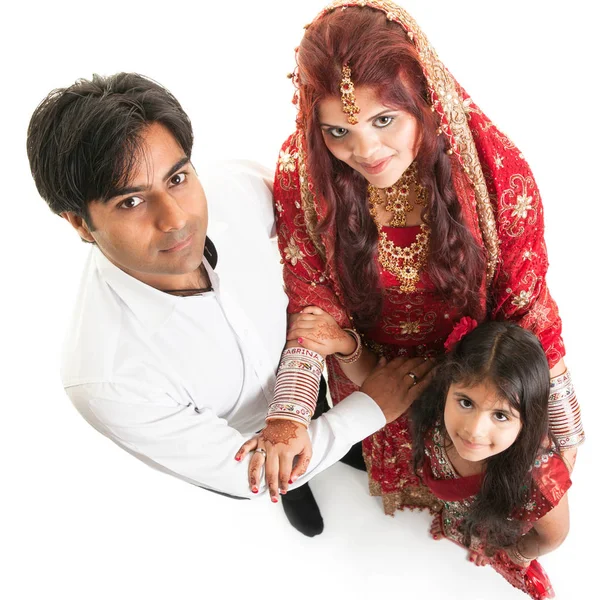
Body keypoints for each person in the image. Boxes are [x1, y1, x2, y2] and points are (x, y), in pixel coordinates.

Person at [25, 71, 431, 536]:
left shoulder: (237, 188)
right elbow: (246, 476)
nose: (176, 220)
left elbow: (321, 224)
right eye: (131, 201)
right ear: (79, 223)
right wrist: (371, 407)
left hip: (312, 371)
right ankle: (297, 486)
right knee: (276, 473)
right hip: (249, 436)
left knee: (341, 432)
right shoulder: (107, 379)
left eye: (177, 178)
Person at [254, 0, 583, 523]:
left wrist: (565, 431)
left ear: (424, 96)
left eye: (385, 119)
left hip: (472, 370)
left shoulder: (493, 165)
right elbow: (313, 298)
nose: (366, 151)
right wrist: (289, 415)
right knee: (356, 454)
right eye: (338, 131)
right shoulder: (303, 169)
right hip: (365, 363)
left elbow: (526, 303)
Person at [411, 319, 571, 599]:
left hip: (496, 532)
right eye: (466, 403)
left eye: (500, 415)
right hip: (458, 511)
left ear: (527, 421)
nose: (474, 431)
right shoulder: (436, 413)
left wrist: (513, 553)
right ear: (448, 388)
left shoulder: (539, 477)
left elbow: (553, 536)